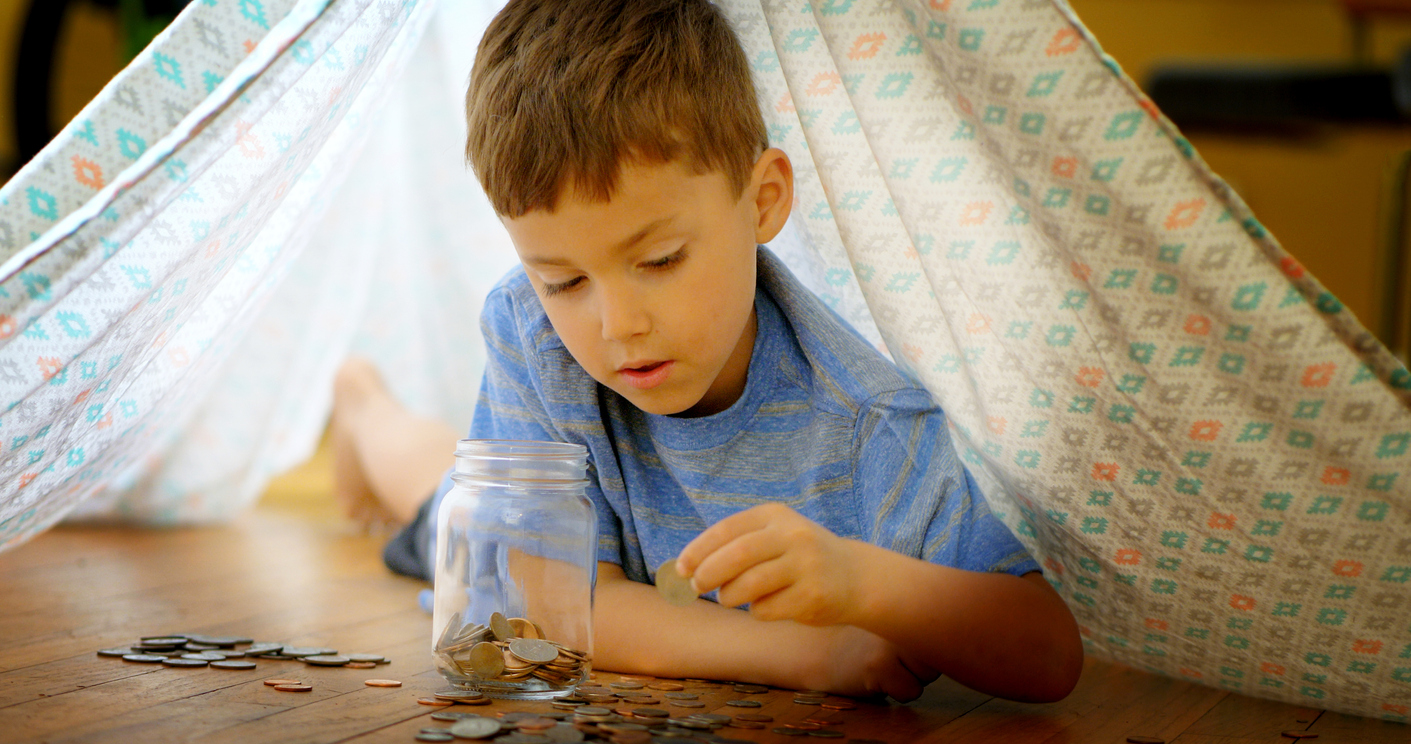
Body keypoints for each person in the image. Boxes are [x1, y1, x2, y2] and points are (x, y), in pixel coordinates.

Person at [332, 0, 1083, 704]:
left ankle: (366, 405)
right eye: (562, 280)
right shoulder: (532, 330)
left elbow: (1047, 653)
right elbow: (542, 607)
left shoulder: (868, 424)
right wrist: (813, 654)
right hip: (539, 539)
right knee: (439, 505)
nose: (617, 325)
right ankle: (362, 404)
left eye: (659, 260)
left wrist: (865, 585)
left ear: (762, 202)